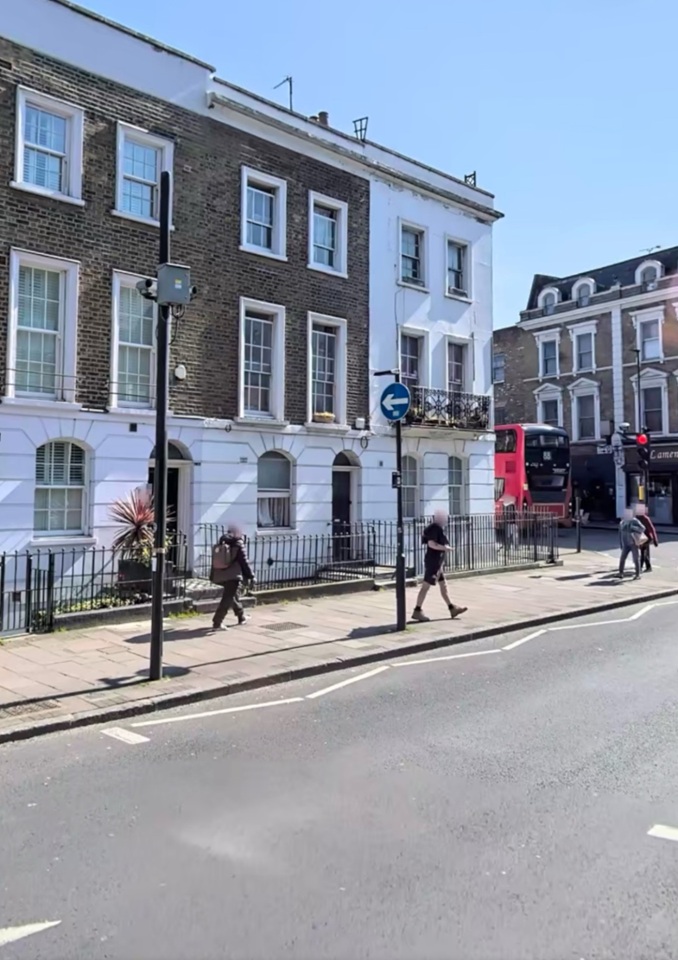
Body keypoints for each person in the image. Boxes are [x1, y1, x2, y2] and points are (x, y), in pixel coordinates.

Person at [412, 509, 467, 622]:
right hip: (433, 563)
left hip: (437, 563)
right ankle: (417, 610)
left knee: (443, 585)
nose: (445, 519)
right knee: (425, 587)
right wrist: (445, 548)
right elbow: (431, 544)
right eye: (443, 517)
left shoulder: (436, 528)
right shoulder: (434, 528)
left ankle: (452, 608)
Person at [210, 525, 255, 630]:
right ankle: (217, 622)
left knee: (233, 595)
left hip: (219, 573)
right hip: (233, 575)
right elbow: (244, 562)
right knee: (227, 598)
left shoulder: (222, 542)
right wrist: (251, 575)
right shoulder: (238, 544)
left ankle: (241, 617)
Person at [618, 508, 645, 580]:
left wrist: (633, 527)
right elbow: (620, 534)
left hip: (633, 543)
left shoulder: (634, 521)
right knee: (622, 558)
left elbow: (642, 528)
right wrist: (621, 544)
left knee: (636, 559)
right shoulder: (622, 522)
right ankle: (621, 573)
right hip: (625, 543)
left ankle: (638, 574)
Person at [634, 503, 658, 572]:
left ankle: (641, 568)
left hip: (647, 538)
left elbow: (652, 528)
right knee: (643, 552)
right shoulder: (636, 518)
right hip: (641, 538)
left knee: (643, 552)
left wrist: (655, 540)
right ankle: (647, 567)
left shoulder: (645, 518)